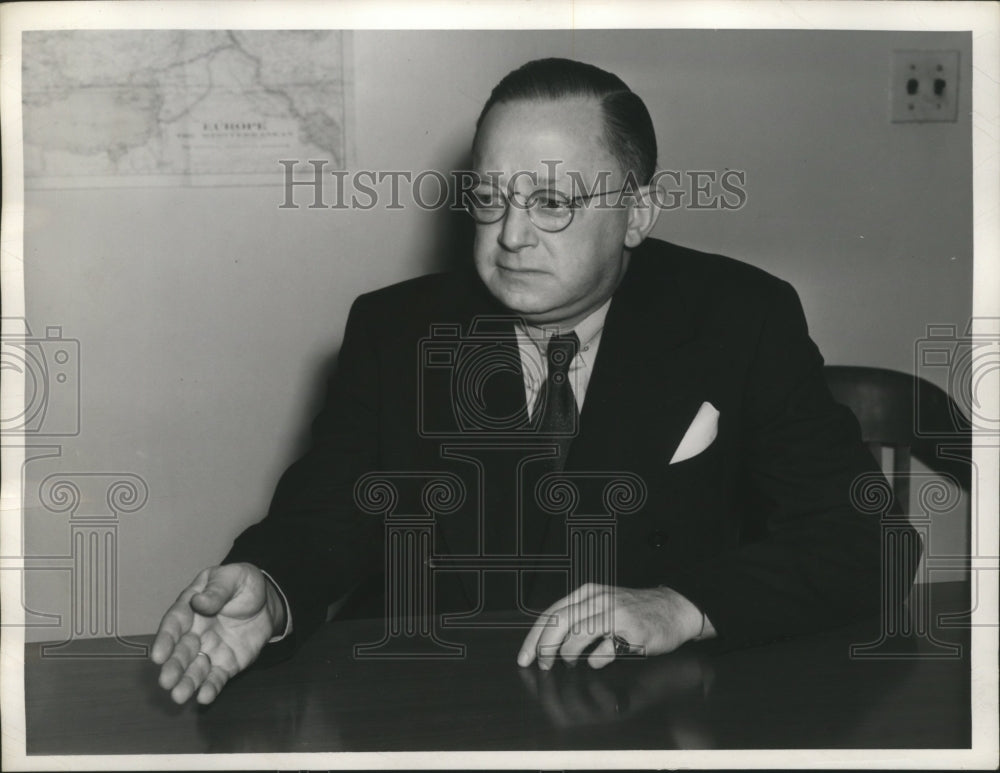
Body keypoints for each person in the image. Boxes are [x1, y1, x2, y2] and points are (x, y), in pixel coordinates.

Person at [152, 58, 916, 705]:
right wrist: (272, 589)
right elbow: (329, 514)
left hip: (655, 710)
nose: (511, 236)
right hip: (438, 708)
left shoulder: (739, 318)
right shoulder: (396, 330)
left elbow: (868, 542)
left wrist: (684, 605)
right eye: (490, 199)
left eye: (552, 201)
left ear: (637, 212)